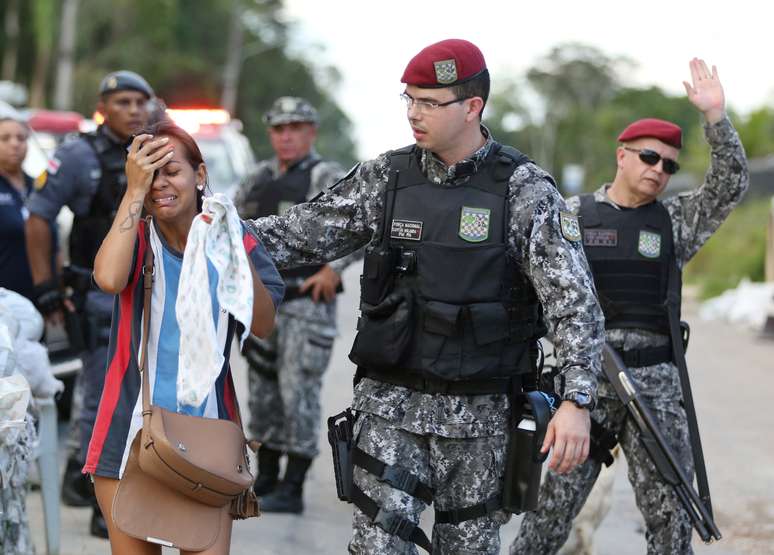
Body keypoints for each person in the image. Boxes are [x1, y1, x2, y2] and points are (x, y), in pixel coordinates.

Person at [249, 38, 604, 554]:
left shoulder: (524, 191)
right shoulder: (387, 178)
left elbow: (574, 302)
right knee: (376, 547)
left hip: (480, 419)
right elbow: (300, 233)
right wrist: (206, 231)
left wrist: (577, 401)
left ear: (472, 106)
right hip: (390, 408)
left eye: (430, 102)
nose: (414, 114)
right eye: (409, 99)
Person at [511, 58, 749, 555]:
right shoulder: (570, 216)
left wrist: (716, 118)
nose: (659, 170)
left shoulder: (675, 221)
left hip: (655, 389)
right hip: (585, 388)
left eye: (669, 165)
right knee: (547, 521)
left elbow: (730, 186)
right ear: (621, 156)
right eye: (648, 158)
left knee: (670, 521)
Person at [84, 118, 284, 554]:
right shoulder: (136, 235)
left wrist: (231, 245)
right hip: (129, 431)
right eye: (148, 173)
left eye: (171, 170)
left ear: (200, 174)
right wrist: (132, 193)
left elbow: (264, 323)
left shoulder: (234, 237)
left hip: (207, 439)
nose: (160, 184)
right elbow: (108, 277)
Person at [24, 70, 153, 537]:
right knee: (107, 395)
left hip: (146, 288)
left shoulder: (154, 148)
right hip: (99, 294)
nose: (135, 110)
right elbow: (39, 218)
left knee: (135, 395)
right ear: (103, 107)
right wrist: (47, 288)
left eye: (141, 100)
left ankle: (80, 481)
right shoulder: (79, 154)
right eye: (123, 101)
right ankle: (105, 502)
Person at [234, 96, 360, 513]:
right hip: (263, 301)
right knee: (263, 392)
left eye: (295, 128)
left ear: (311, 132)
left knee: (298, 392)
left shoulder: (326, 175)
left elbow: (361, 227)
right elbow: (229, 226)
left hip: (306, 300)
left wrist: (335, 269)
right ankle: (266, 476)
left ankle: (293, 486)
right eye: (278, 129)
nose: (286, 136)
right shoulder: (257, 178)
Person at [0, 116, 35, 300]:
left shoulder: (37, 186)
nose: (15, 144)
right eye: (5, 138)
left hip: (35, 300)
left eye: (21, 138)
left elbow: (53, 246)